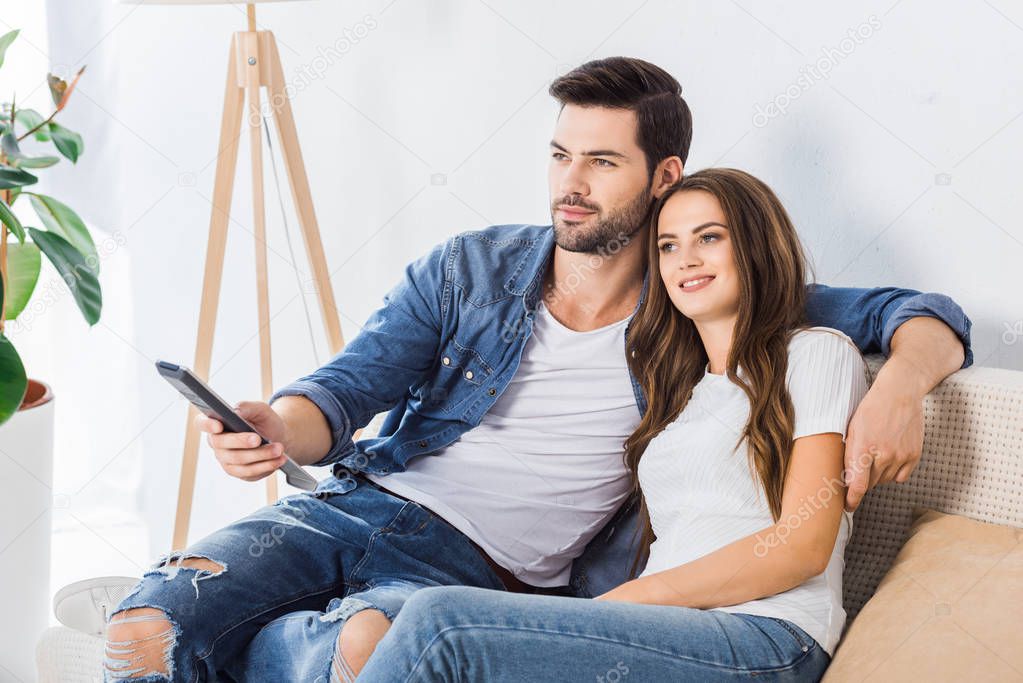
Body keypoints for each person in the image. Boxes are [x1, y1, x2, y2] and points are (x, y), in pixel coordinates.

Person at [103, 58, 971, 682]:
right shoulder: (468, 269)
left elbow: (917, 315)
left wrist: (898, 385)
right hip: (355, 507)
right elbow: (345, 388)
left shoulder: (700, 301)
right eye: (561, 155)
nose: (570, 183)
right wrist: (277, 425)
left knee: (364, 645)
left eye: (601, 162)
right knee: (147, 630)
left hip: (480, 570)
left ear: (663, 177)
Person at [356, 167, 873, 681]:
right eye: (667, 246)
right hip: (659, 633)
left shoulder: (815, 353)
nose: (685, 260)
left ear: (758, 246)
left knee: (440, 622)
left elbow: (801, 547)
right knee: (413, 621)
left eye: (709, 238)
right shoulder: (680, 396)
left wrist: (618, 605)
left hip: (768, 635)